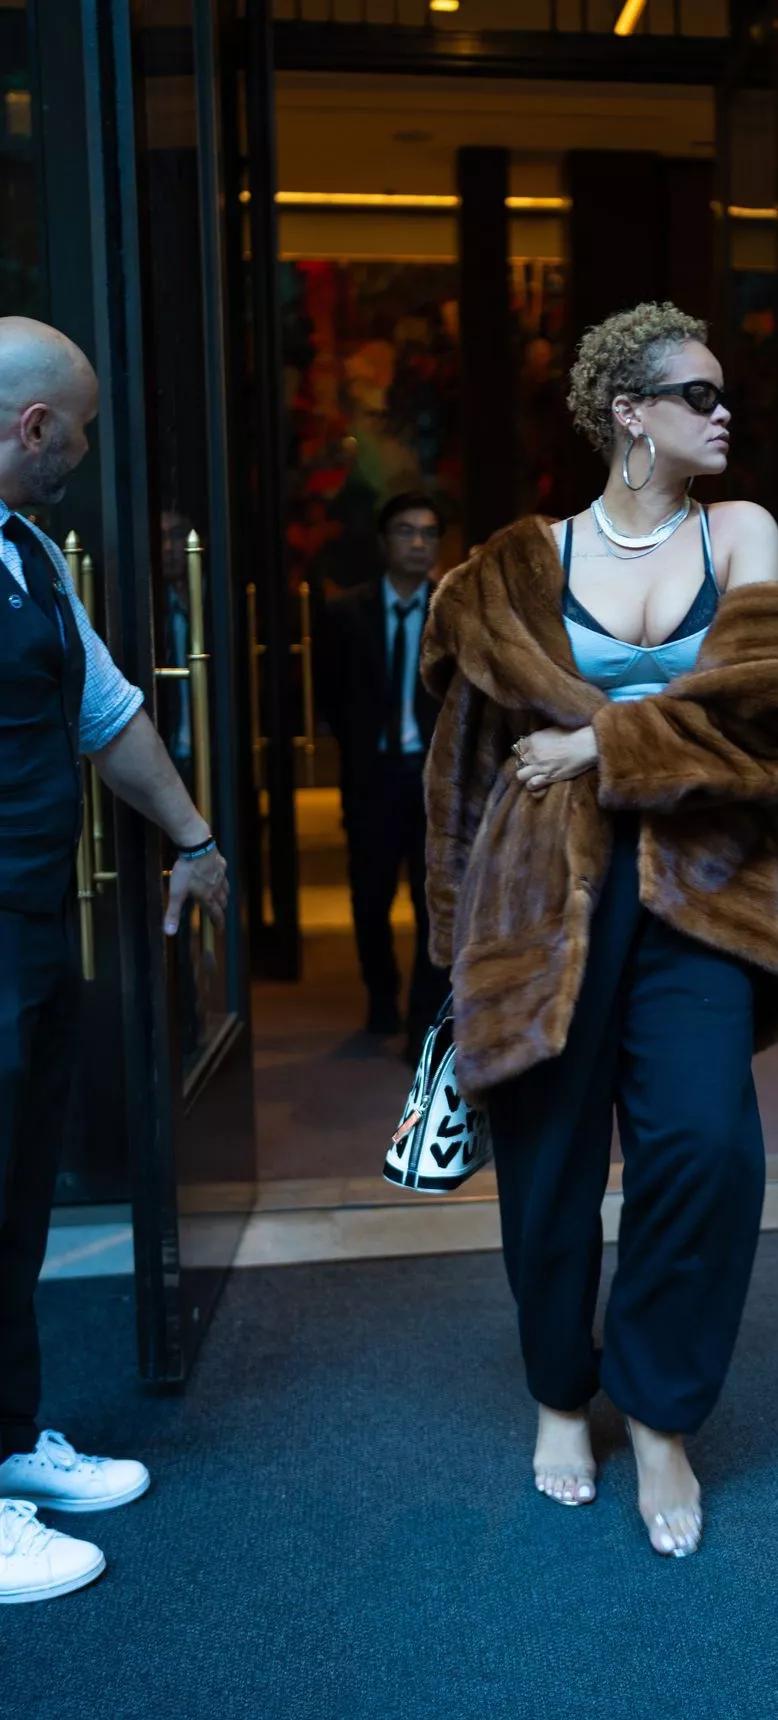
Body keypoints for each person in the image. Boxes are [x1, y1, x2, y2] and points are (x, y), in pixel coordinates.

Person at [421, 302, 778, 1557]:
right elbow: (461, 768)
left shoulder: (739, 532)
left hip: (702, 888)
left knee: (704, 1150)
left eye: (724, 395)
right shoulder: (518, 565)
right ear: (629, 414)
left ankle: (659, 1414)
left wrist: (598, 742)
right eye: (698, 396)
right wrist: (449, 949)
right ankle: (561, 1396)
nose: (724, 414)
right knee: (549, 1165)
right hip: (538, 896)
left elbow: (772, 721)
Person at [0, 317, 230, 1603]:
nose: (84, 456)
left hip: (30, 922)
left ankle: (9, 1441)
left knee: (15, 1198)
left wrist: (194, 837)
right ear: (34, 426)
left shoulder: (30, 554)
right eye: (78, 433)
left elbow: (106, 711)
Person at [317, 491, 448, 1058]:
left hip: (432, 779)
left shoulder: (453, 610)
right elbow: (329, 692)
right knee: (369, 898)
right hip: (372, 776)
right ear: (383, 541)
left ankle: (423, 1020)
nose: (418, 543)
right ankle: (381, 996)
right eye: (405, 531)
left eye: (428, 533)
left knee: (431, 902)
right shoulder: (345, 612)